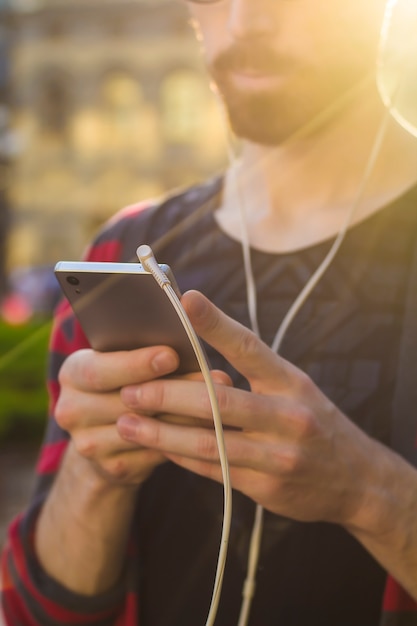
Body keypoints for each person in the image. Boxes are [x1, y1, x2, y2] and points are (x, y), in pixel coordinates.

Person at [2, 0, 417, 624]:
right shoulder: (123, 250)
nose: (247, 20)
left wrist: (370, 494)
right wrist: (97, 476)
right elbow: (43, 608)